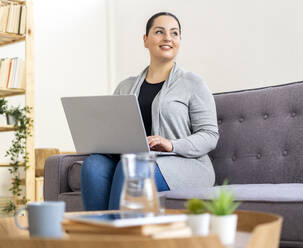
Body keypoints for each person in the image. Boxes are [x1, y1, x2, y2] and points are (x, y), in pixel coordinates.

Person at [80, 12, 219, 210]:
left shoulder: (194, 84)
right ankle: (99, 235)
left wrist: (171, 145)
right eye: (159, 32)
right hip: (131, 160)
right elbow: (114, 132)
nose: (168, 38)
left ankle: (118, 237)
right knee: (93, 165)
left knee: (133, 166)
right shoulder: (124, 87)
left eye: (174, 33)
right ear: (145, 40)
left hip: (185, 164)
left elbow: (210, 135)